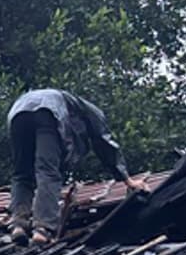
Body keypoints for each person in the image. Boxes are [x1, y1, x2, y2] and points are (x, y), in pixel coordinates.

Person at [8, 88, 150, 245]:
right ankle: (42, 229)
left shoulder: (70, 106)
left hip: (18, 112)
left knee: (22, 175)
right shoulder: (91, 112)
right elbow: (104, 143)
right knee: (48, 171)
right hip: (47, 110)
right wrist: (127, 180)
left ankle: (18, 225)